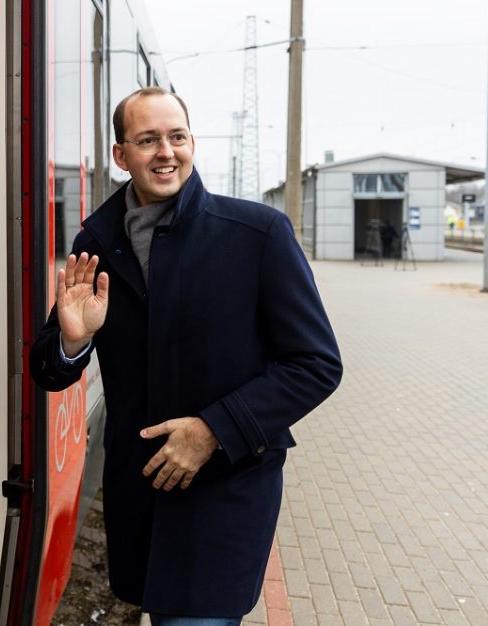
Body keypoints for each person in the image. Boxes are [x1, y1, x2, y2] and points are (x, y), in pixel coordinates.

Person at [30, 87, 343, 625]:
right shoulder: (99, 241)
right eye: (148, 140)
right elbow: (46, 371)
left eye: (176, 137)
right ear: (121, 155)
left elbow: (316, 364)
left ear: (193, 143)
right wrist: (74, 338)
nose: (166, 152)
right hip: (145, 486)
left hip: (227, 484)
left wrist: (212, 431)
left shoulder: (256, 234)